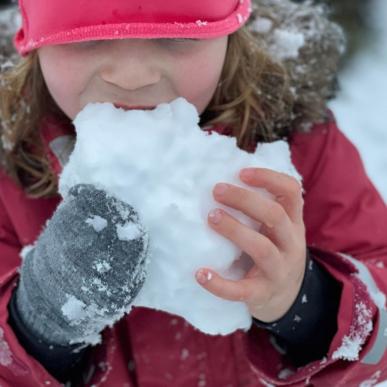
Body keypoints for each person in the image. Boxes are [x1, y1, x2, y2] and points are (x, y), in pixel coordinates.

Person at [0, 0, 386, 386]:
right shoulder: (7, 175)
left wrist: (305, 303)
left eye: (177, 35)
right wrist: (39, 325)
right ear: (33, 40)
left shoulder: (299, 146)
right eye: (86, 38)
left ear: (228, 34)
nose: (133, 76)